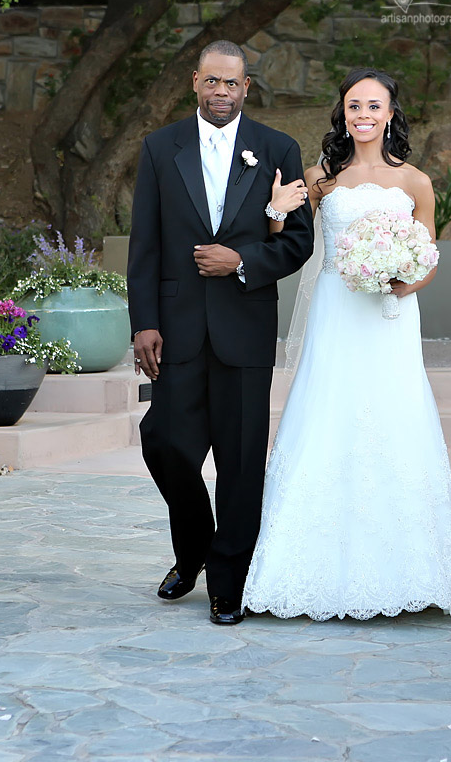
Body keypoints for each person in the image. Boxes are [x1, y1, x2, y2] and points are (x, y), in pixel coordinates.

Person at [242, 67, 451, 621]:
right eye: (353, 106)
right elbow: (286, 241)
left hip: (390, 316)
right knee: (328, 413)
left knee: (393, 416)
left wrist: (402, 279)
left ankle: (409, 568)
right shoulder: (321, 178)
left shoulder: (415, 181)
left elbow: (429, 256)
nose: (362, 116)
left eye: (373, 106)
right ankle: (303, 567)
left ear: (391, 113)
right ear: (341, 114)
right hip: (337, 312)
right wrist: (275, 208)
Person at [127, 40, 314, 625]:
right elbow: (145, 244)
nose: (221, 92)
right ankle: (195, 548)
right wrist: (145, 323)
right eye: (211, 82)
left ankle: (227, 581)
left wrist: (239, 263)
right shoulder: (160, 149)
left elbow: (296, 241)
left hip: (244, 329)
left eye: (231, 84)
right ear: (195, 83)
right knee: (163, 441)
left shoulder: (278, 149)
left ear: (247, 88)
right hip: (177, 330)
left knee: (239, 462)